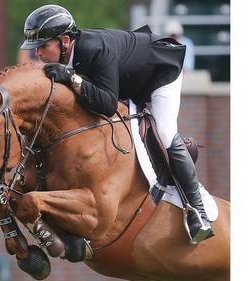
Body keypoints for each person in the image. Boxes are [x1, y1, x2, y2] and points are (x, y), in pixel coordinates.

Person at [20, 4, 213, 244]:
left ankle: (198, 211)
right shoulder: (69, 55)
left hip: (160, 72)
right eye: (35, 48)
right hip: (127, 80)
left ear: (66, 41)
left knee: (164, 131)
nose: (37, 53)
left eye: (42, 46)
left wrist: (71, 78)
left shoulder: (94, 49)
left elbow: (108, 104)